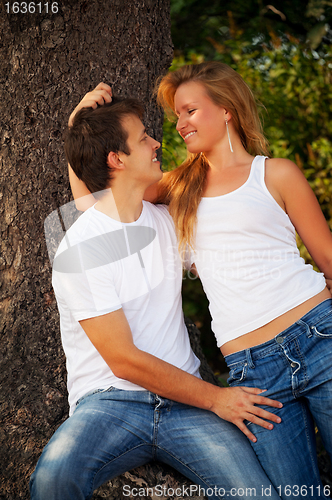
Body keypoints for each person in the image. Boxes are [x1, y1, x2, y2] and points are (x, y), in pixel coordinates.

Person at [68, 64, 332, 500]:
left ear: (226, 110)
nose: (179, 124)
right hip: (254, 370)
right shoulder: (178, 187)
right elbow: (99, 202)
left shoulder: (277, 173)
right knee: (293, 493)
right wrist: (80, 125)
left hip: (318, 335)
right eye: (176, 115)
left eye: (190, 110)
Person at [30, 95, 284, 500]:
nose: (156, 144)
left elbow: (233, 269)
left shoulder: (167, 222)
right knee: (53, 481)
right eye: (145, 137)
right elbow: (124, 360)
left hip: (185, 406)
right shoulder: (81, 249)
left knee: (257, 494)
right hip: (110, 404)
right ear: (117, 159)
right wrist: (218, 398)